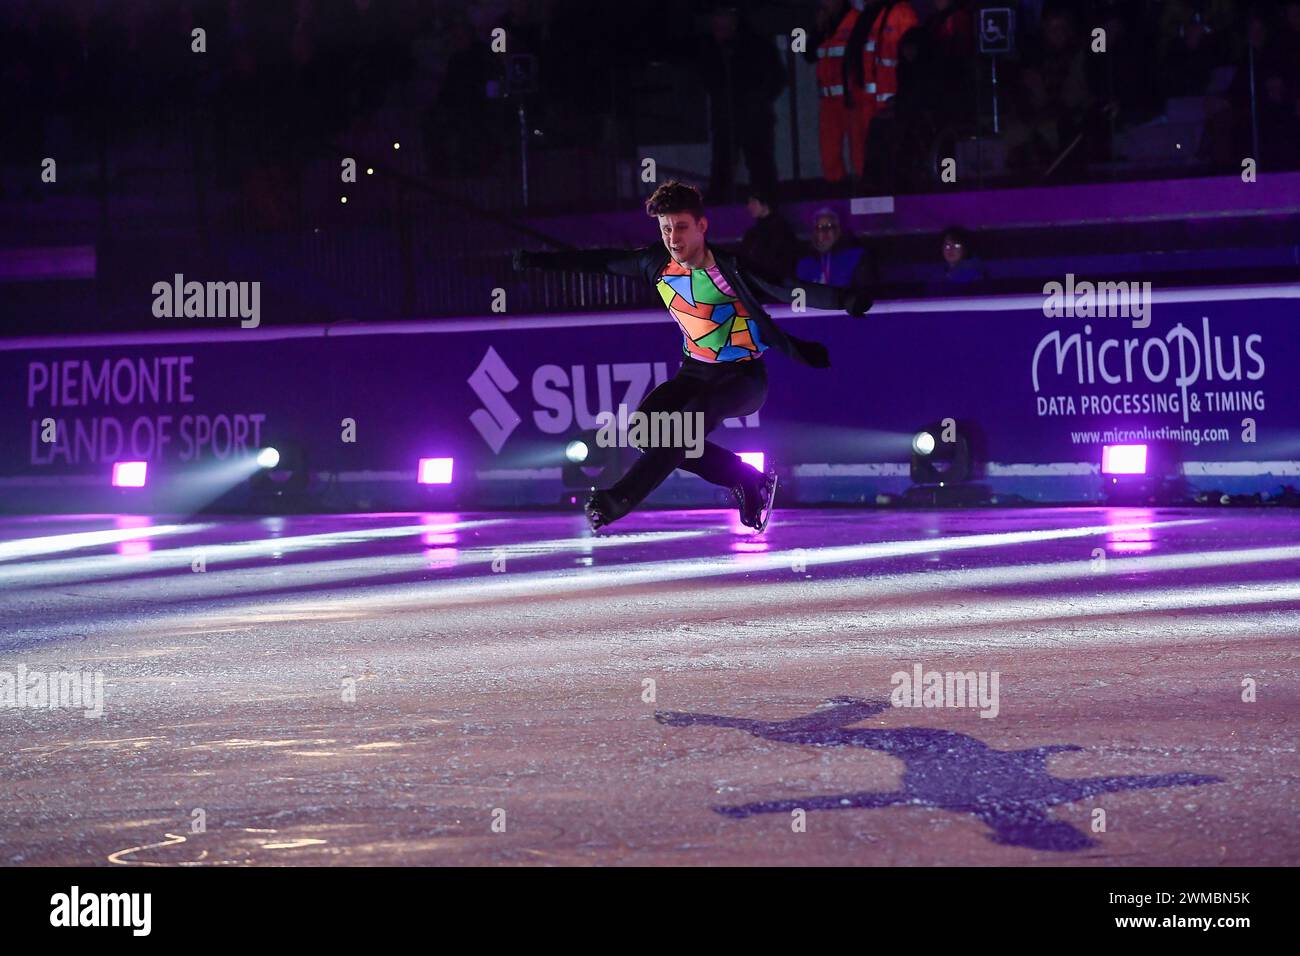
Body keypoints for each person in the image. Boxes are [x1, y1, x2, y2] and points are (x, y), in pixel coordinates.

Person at [514, 181, 872, 532]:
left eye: (681, 227)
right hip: (694, 373)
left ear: (702, 226)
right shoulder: (655, 263)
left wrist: (845, 301)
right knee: (645, 430)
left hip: (743, 378)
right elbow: (603, 261)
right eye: (666, 228)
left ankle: (618, 500)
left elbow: (790, 288)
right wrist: (538, 261)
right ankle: (746, 479)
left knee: (685, 424)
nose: (673, 237)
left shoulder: (731, 269)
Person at [796, 208, 878, 290]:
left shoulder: (856, 257)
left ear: (838, 230)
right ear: (815, 233)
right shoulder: (805, 264)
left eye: (830, 226)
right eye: (820, 227)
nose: (825, 231)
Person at [739, 186, 802, 281]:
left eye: (753, 202)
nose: (749, 206)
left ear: (765, 203)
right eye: (749, 202)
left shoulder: (782, 231)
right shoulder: (752, 234)